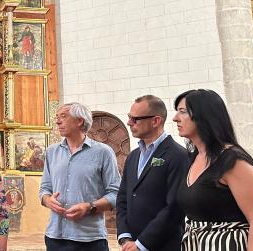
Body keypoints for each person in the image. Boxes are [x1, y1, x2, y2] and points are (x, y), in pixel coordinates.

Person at [173, 89, 253, 251]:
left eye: (183, 112)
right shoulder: (192, 158)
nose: (175, 118)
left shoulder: (233, 161)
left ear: (204, 116)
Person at [39, 102, 121, 251]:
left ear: (79, 121)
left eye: (63, 116)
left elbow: (116, 194)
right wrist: (48, 200)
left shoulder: (103, 152)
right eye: (57, 117)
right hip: (55, 237)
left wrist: (89, 207)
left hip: (91, 239)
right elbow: (44, 189)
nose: (57, 121)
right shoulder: (52, 152)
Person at [116, 95, 189, 251]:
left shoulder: (177, 155)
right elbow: (123, 198)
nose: (129, 123)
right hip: (131, 244)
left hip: (162, 245)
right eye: (129, 117)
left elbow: (174, 208)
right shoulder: (133, 156)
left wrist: (141, 244)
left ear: (156, 121)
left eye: (135, 119)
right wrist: (125, 236)